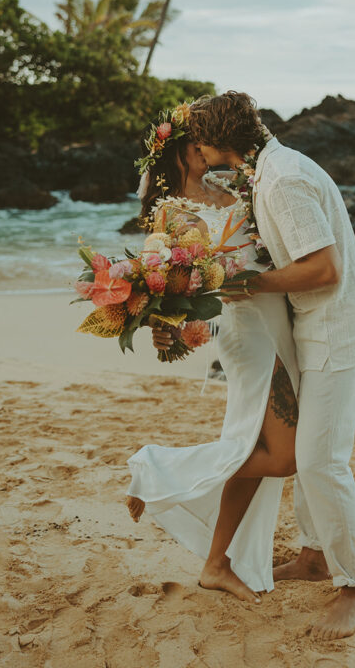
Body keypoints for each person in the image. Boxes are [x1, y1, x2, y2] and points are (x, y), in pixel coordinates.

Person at [184, 91, 355, 641]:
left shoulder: (282, 180)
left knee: (320, 462)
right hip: (310, 331)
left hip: (334, 332)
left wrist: (245, 282)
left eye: (200, 139)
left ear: (219, 141)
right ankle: (316, 556)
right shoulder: (268, 170)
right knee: (310, 454)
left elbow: (323, 270)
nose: (197, 150)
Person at [125, 104, 300, 603]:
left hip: (277, 318)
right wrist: (169, 331)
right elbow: (174, 288)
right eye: (197, 139)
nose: (206, 145)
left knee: (257, 447)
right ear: (182, 149)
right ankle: (155, 471)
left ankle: (217, 563)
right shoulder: (169, 212)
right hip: (246, 331)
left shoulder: (232, 192)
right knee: (282, 457)